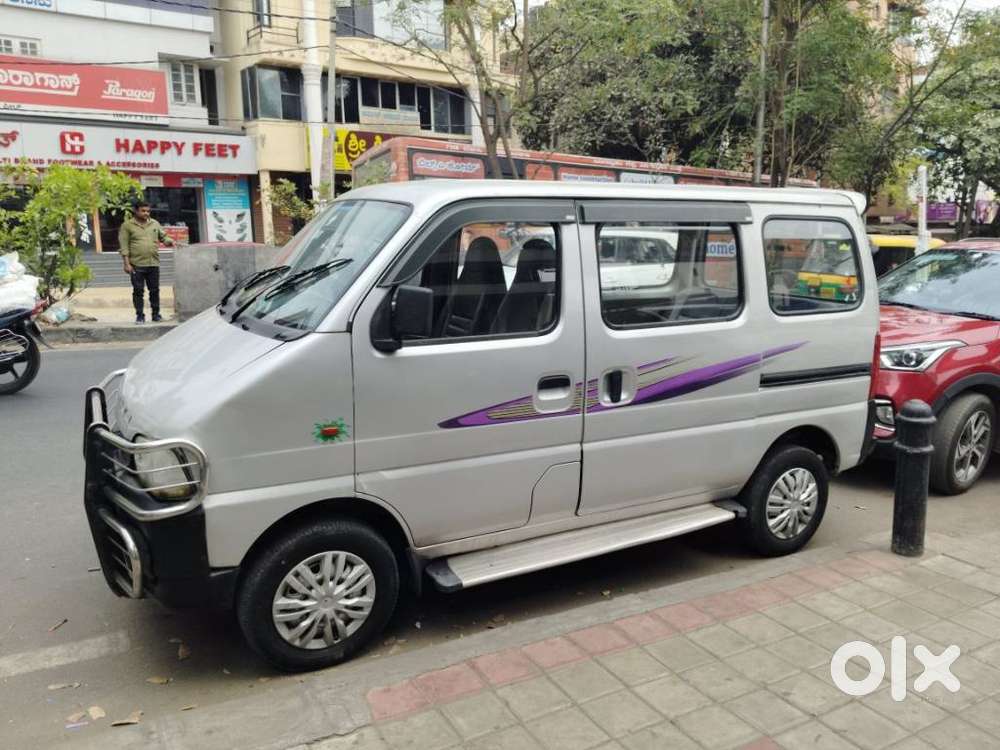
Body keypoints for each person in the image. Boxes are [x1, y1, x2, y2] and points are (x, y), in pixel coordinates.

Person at [118, 201, 173, 323]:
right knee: (138, 291)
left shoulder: (154, 224)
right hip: (136, 265)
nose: (146, 213)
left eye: (148, 211)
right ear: (136, 211)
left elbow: (163, 237)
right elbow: (124, 246)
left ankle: (156, 314)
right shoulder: (127, 226)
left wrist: (171, 241)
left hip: (153, 263)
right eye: (143, 211)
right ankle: (140, 315)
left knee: (155, 290)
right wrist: (126, 264)